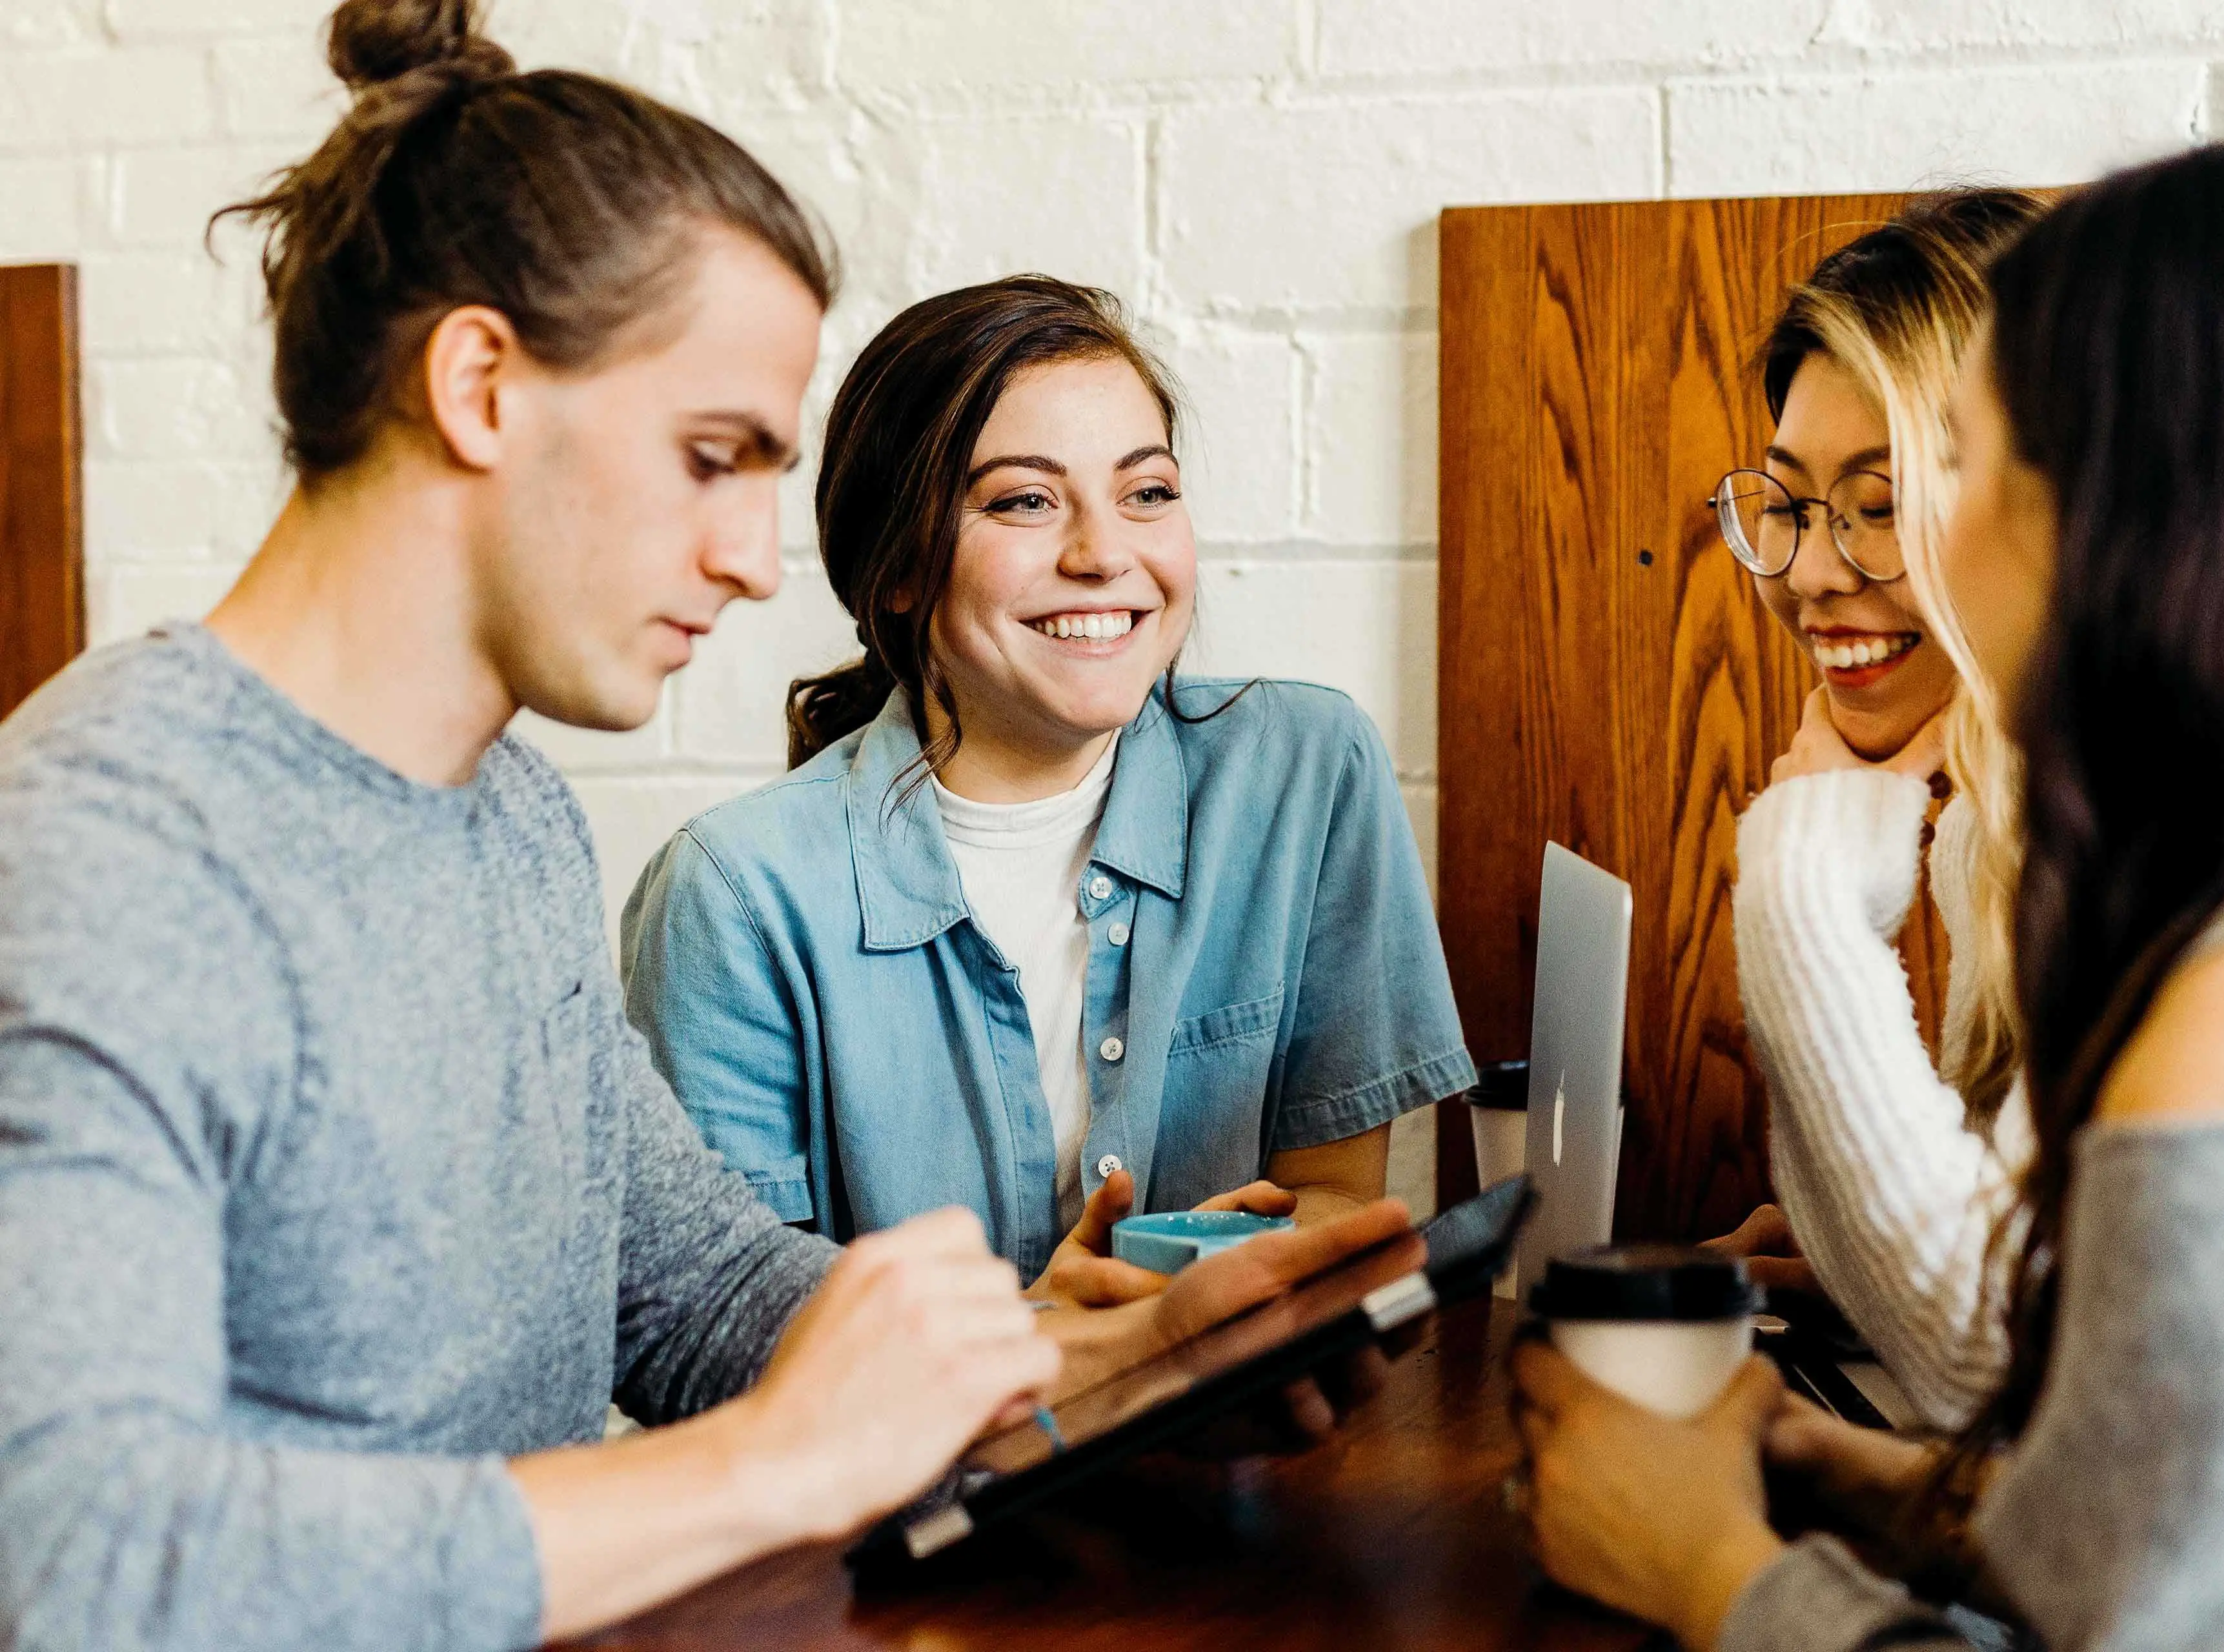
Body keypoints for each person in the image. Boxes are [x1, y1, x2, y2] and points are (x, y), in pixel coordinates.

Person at [0, 5, 1413, 1647]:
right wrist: (773, 1463)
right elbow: (73, 1554)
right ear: (479, 386)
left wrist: (1090, 1369)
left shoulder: (505, 813)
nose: (758, 559)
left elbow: (692, 1289)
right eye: (710, 457)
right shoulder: (103, 849)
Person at [1515, 134, 2224, 1650]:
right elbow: (2190, 1528)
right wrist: (1890, 1493)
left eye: (1969, 461)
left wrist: (1714, 1572)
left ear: (2143, 507)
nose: (1866, 560)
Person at [621, 274, 1475, 1302]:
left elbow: (1335, 1199)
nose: (1105, 553)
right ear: (895, 569)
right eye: (1025, 500)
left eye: (1146, 492)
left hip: (1238, 1441)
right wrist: (1055, 1337)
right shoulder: (733, 896)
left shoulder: (1305, 773)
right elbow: (732, 1337)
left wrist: (1207, 1278)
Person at [1717, 190, 2044, 1431]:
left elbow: (1989, 1362)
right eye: (1793, 504)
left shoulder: (2140, 835)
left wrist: (1800, 886)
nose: (1807, 571)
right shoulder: (1992, 826)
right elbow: (2026, 1311)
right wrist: (1856, 1257)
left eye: (1880, 500)